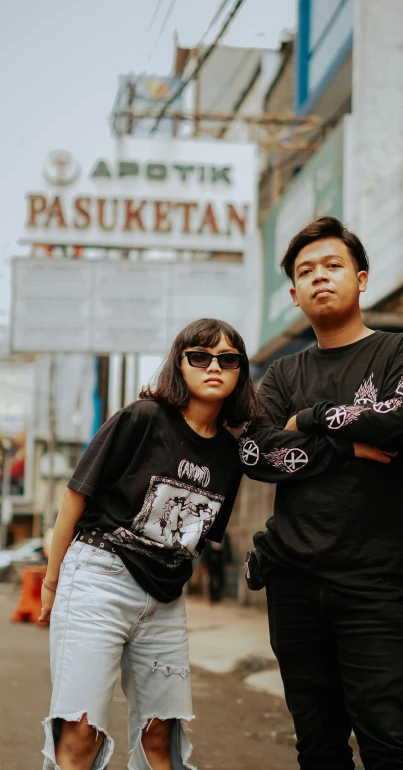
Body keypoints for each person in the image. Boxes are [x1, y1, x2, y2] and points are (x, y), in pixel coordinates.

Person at [238, 216, 403, 770]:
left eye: (333, 266)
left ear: (362, 278)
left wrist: (311, 418)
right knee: (318, 748)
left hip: (376, 586)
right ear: (295, 295)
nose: (320, 278)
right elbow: (254, 453)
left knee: (389, 744)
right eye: (306, 272)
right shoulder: (280, 374)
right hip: (294, 585)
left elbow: (396, 423)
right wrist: (345, 447)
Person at [39, 318, 261, 770]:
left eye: (227, 359)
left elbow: (193, 540)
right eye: (199, 356)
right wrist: (52, 577)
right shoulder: (142, 418)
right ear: (179, 365)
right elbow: (76, 495)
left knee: (161, 733)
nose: (213, 366)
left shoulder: (230, 455)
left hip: (164, 600)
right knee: (82, 731)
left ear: (240, 371)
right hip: (98, 579)